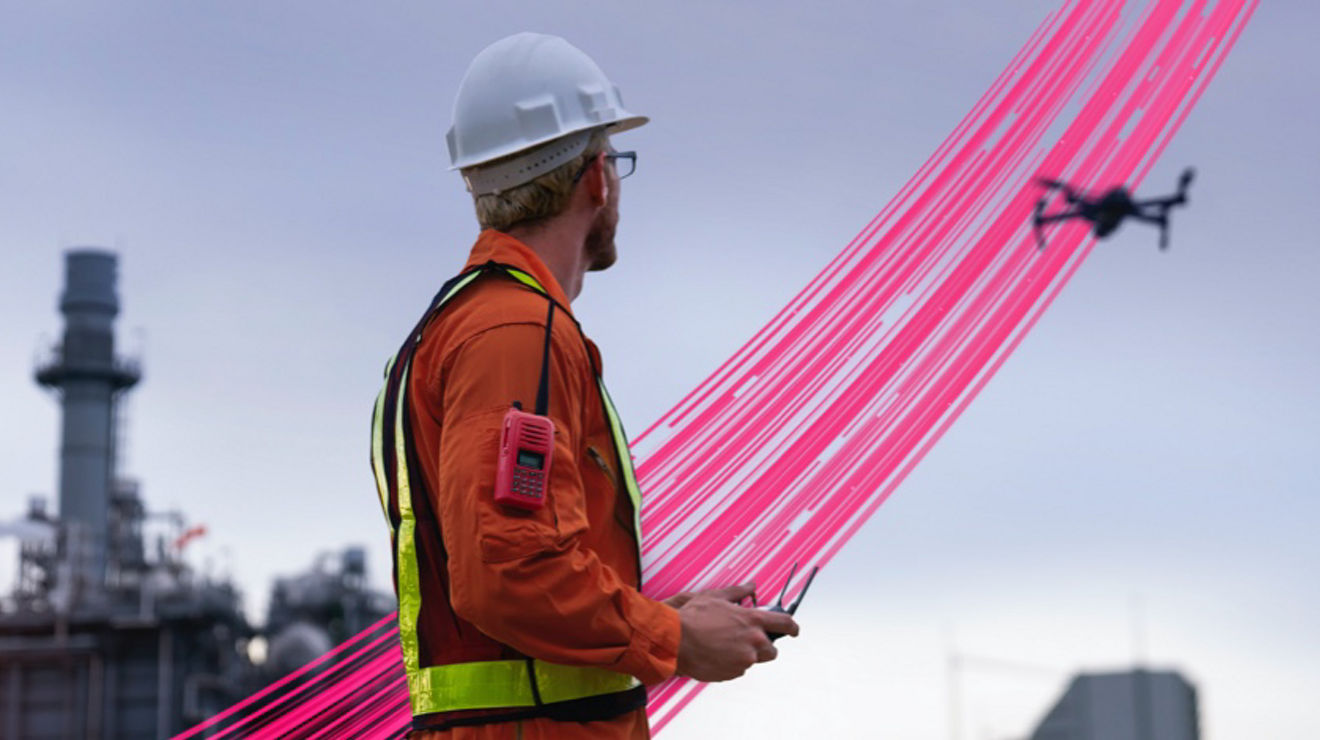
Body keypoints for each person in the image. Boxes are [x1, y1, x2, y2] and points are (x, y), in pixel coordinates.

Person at [370, 33, 798, 739]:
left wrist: (671, 617)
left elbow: (515, 565)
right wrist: (676, 639)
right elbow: (508, 573)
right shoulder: (512, 333)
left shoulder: (460, 327)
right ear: (597, 177)